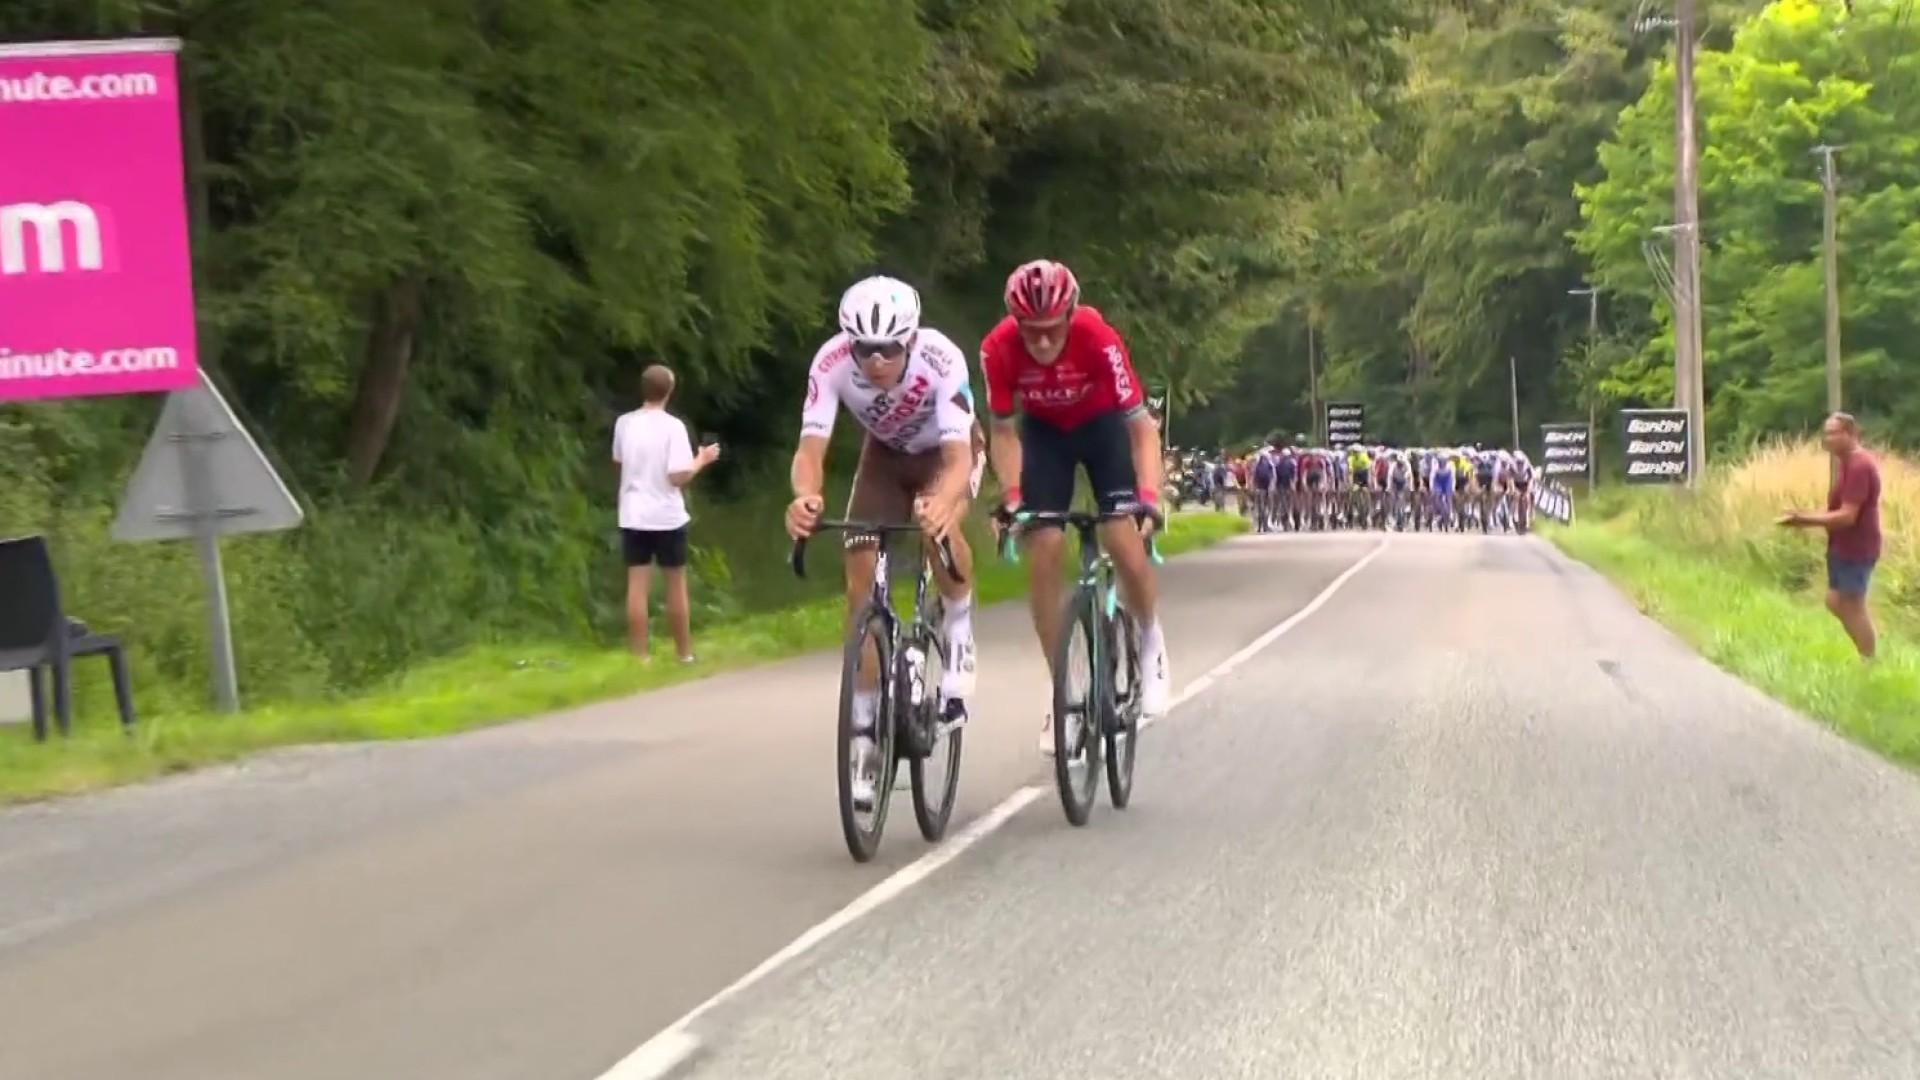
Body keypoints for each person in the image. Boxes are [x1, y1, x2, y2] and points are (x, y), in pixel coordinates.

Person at [785, 276, 983, 809]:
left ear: (911, 340)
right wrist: (804, 497)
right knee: (860, 579)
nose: (875, 362)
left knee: (937, 525)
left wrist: (943, 502)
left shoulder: (942, 359)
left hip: (947, 451)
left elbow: (960, 459)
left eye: (889, 349)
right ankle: (866, 732)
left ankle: (958, 622)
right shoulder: (829, 364)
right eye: (863, 350)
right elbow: (810, 449)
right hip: (886, 458)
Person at [981, 258, 1169, 755]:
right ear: (1015, 325)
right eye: (1031, 332)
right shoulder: (998, 348)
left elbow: (1141, 427)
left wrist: (1148, 498)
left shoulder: (1097, 336)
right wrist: (1015, 499)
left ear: (1070, 315)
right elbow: (1002, 433)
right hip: (1046, 436)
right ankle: (1062, 690)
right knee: (1043, 543)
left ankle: (1150, 641)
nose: (1041, 343)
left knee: (1120, 536)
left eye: (1051, 330)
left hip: (1104, 427)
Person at [613, 364, 721, 662]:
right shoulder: (673, 427)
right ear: (669, 391)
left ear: (643, 389)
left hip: (633, 514)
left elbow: (618, 459)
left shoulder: (624, 423)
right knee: (675, 585)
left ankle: (640, 657)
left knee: (637, 586)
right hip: (666, 515)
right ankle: (684, 654)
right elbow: (678, 477)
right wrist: (702, 459)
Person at [1778, 412, 1883, 660]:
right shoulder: (1846, 463)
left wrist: (1804, 520)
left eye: (1834, 433)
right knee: (1835, 601)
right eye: (1826, 433)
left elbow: (1848, 516)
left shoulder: (1860, 466)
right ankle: (1866, 654)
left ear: (1851, 434)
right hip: (1842, 546)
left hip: (1858, 548)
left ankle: (1870, 659)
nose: (1828, 439)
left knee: (1852, 605)